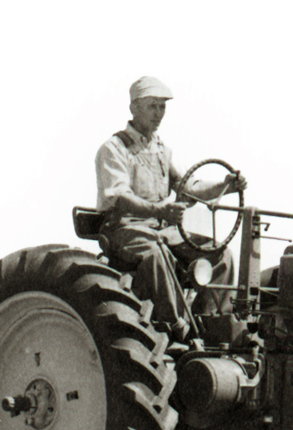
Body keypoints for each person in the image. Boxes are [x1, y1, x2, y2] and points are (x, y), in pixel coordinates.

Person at [94, 76, 246, 341]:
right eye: (153, 106)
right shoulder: (114, 148)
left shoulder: (161, 149)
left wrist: (225, 186)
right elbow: (119, 197)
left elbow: (189, 186)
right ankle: (176, 326)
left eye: (162, 107)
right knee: (156, 254)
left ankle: (214, 322)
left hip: (160, 229)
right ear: (134, 108)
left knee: (220, 254)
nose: (159, 114)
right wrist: (158, 212)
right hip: (126, 229)